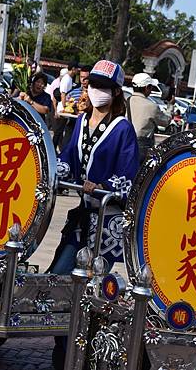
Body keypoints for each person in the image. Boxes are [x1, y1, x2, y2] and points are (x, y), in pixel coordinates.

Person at [49, 59, 139, 275]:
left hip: (106, 222)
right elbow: (69, 157)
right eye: (92, 84)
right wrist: (51, 171)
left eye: (102, 86)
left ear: (116, 92)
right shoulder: (81, 121)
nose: (95, 90)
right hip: (82, 217)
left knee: (93, 286)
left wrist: (101, 185)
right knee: (59, 273)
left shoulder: (123, 128)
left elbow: (129, 175)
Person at [128, 72, 171, 164]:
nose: (151, 90)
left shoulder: (126, 101)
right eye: (151, 87)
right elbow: (166, 121)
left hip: (125, 145)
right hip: (142, 149)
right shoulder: (151, 106)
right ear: (147, 88)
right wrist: (170, 105)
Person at [52, 62, 79, 150]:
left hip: (66, 107)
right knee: (58, 131)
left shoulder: (70, 79)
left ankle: (58, 148)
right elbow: (63, 94)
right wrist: (65, 108)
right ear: (73, 68)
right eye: (77, 69)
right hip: (63, 108)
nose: (78, 71)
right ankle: (53, 148)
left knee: (60, 131)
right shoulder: (67, 79)